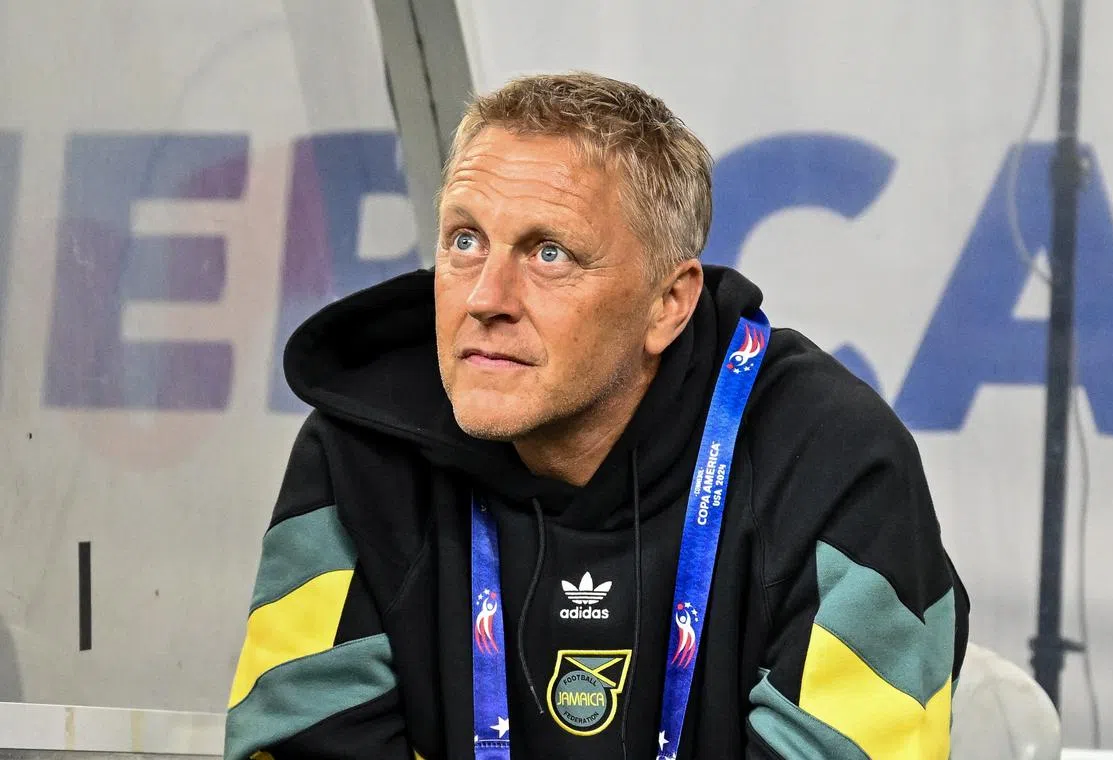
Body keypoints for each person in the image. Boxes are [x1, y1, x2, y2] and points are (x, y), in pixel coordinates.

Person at [224, 72, 969, 760]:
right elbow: (295, 744)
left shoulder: (836, 460)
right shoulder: (358, 444)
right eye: (464, 240)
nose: (486, 298)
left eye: (549, 253)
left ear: (667, 304)